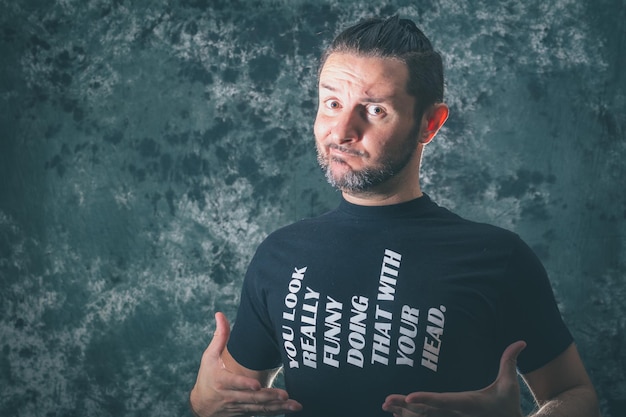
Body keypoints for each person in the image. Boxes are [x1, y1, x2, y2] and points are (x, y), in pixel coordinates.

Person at [190, 15, 600, 417]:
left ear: (429, 123)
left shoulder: (498, 256)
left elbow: (575, 392)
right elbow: (230, 400)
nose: (342, 130)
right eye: (332, 103)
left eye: (374, 110)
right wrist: (205, 403)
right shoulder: (278, 254)